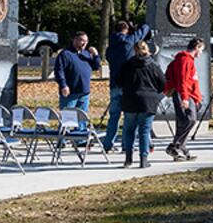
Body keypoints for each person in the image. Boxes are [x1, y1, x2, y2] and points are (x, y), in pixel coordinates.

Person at [101, 21, 148, 151]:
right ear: (126, 30)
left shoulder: (111, 46)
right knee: (129, 116)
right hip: (127, 84)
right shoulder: (129, 41)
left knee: (114, 116)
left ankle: (108, 144)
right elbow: (145, 28)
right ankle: (126, 145)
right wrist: (136, 28)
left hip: (114, 84)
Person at [117, 40, 165, 168]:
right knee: (144, 131)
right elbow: (163, 84)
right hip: (148, 101)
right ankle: (143, 159)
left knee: (129, 130)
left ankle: (128, 159)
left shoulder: (127, 65)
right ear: (148, 50)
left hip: (130, 99)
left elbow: (118, 81)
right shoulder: (153, 66)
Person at [162, 38, 205, 161]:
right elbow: (183, 81)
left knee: (183, 122)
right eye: (201, 50)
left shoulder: (186, 60)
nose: (201, 53)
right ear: (196, 48)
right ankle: (175, 146)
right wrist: (185, 98)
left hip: (190, 95)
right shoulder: (185, 60)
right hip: (185, 94)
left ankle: (181, 149)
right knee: (190, 120)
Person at [53, 32, 101, 112]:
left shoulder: (87, 54)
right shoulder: (65, 54)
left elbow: (96, 67)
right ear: (74, 40)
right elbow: (59, 71)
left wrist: (96, 55)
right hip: (70, 93)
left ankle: (81, 125)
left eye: (86, 41)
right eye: (82, 40)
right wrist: (63, 85)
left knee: (82, 119)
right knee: (67, 119)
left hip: (84, 92)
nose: (84, 43)